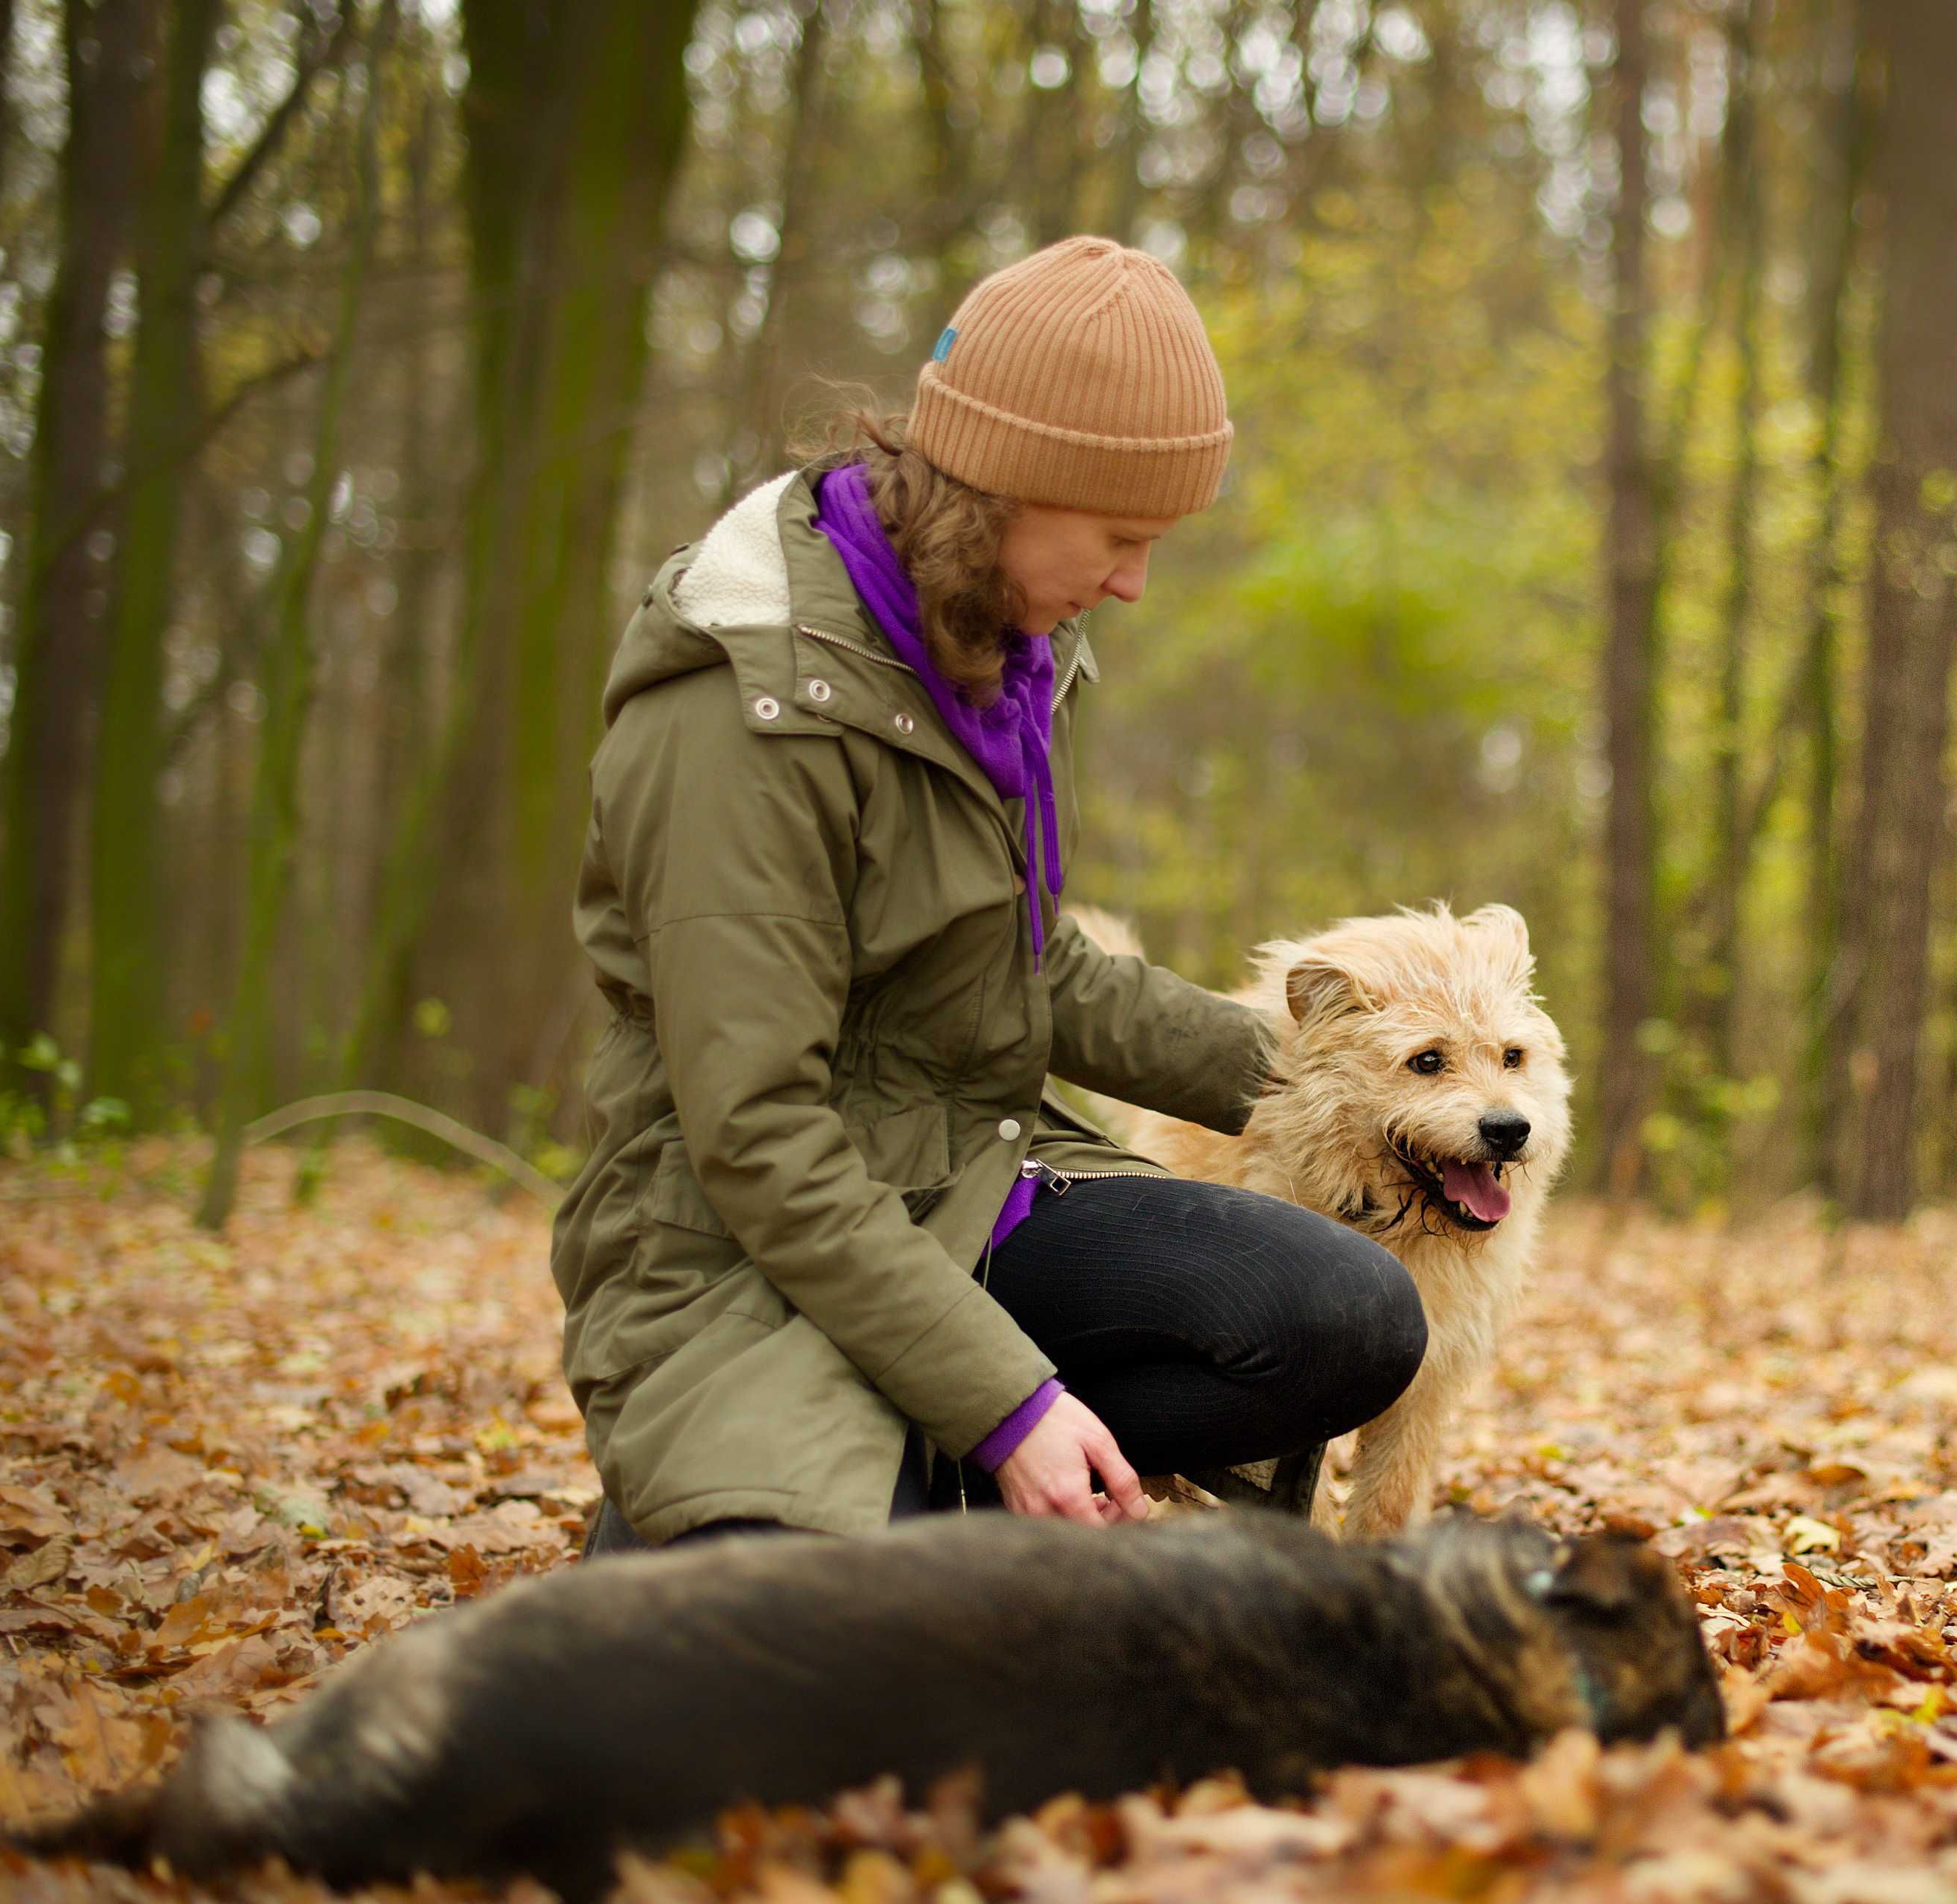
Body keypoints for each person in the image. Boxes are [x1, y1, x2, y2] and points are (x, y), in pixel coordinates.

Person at [550, 237, 1428, 1547]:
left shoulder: (992, 647)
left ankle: (951, 1475)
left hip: (970, 1183)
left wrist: (1342, 1080)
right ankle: (839, 1483)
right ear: (1006, 487)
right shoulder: (744, 709)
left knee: (1350, 1318)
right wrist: (1011, 1404)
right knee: (834, 1670)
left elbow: (1026, 971)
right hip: (738, 1252)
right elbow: (758, 1136)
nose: (1134, 581)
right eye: (1122, 536)